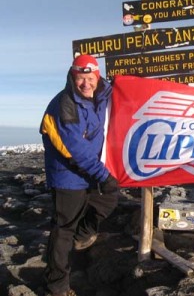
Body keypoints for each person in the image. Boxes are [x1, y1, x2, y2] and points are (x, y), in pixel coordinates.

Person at [40, 54, 119, 296]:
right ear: (72, 78)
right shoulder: (65, 104)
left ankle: (82, 236)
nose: (86, 83)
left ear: (98, 76)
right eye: (80, 78)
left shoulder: (104, 95)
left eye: (90, 77)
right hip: (67, 174)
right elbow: (75, 148)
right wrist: (103, 175)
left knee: (107, 201)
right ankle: (57, 285)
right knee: (64, 228)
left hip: (91, 169)